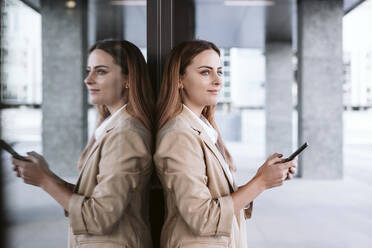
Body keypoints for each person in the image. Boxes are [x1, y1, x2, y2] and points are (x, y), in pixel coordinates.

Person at [154, 40, 297, 248]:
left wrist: (260, 177)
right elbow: (202, 218)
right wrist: (260, 183)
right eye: (205, 72)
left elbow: (215, 198)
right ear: (179, 80)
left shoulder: (203, 128)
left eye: (219, 71)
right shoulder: (178, 135)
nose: (218, 81)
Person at [11, 39, 154, 248]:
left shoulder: (126, 136)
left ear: (128, 80)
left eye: (101, 71)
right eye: (89, 71)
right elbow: (95, 199)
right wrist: (47, 175)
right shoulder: (113, 129)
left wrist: (44, 180)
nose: (88, 79)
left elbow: (98, 217)